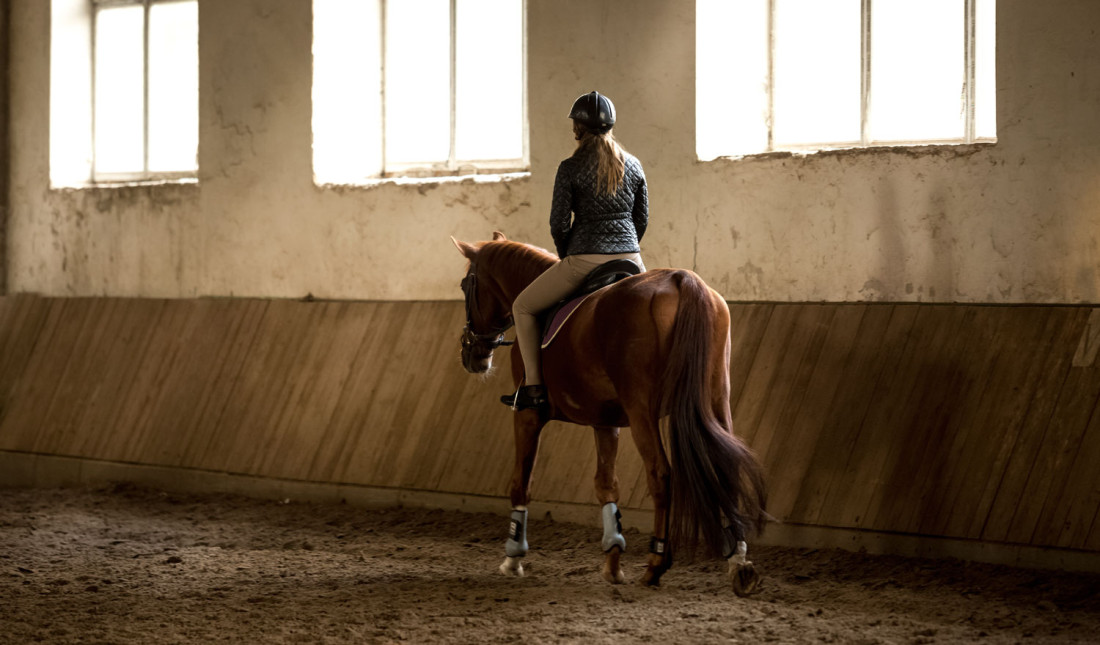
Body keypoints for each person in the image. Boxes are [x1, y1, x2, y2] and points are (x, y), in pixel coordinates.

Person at [503, 91, 649, 411]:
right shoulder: (635, 165)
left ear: (578, 129)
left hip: (585, 257)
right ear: (610, 126)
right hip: (632, 260)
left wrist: (568, 254)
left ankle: (533, 387)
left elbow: (558, 223)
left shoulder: (570, 167)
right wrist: (626, 248)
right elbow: (642, 218)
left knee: (523, 307)